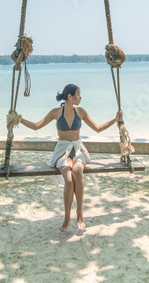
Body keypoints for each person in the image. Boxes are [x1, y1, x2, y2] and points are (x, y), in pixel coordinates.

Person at [20, 83, 122, 233]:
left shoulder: (80, 112)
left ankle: (79, 213)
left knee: (78, 171)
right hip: (62, 150)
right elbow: (36, 126)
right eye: (78, 94)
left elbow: (98, 129)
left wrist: (115, 120)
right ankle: (67, 218)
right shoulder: (55, 112)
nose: (80, 97)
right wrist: (18, 118)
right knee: (68, 179)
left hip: (78, 149)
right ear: (70, 96)